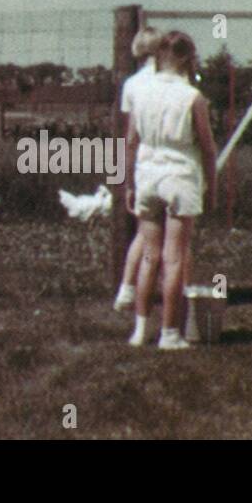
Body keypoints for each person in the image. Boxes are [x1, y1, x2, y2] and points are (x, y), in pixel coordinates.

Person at [125, 31, 217, 349]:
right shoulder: (193, 97)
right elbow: (207, 148)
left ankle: (139, 331)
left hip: (147, 174)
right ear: (186, 59)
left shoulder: (140, 92)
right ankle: (169, 334)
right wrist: (212, 185)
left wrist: (128, 184)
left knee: (149, 256)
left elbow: (131, 141)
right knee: (174, 258)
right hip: (180, 176)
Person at [113, 27, 160, 311]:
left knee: (145, 231)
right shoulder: (176, 80)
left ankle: (128, 289)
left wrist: (128, 176)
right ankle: (170, 295)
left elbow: (131, 135)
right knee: (171, 240)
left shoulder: (131, 84)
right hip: (172, 163)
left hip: (144, 164)